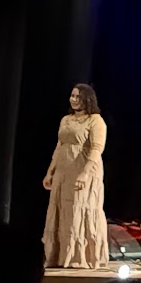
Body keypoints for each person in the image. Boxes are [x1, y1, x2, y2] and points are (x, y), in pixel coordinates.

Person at [42, 83, 109, 269]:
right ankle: (59, 256)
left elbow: (97, 149)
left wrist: (85, 174)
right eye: (72, 95)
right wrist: (50, 171)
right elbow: (59, 146)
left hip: (84, 169)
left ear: (87, 99)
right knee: (62, 211)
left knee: (78, 210)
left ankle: (80, 257)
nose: (73, 99)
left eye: (77, 96)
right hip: (64, 171)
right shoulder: (66, 120)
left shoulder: (95, 121)